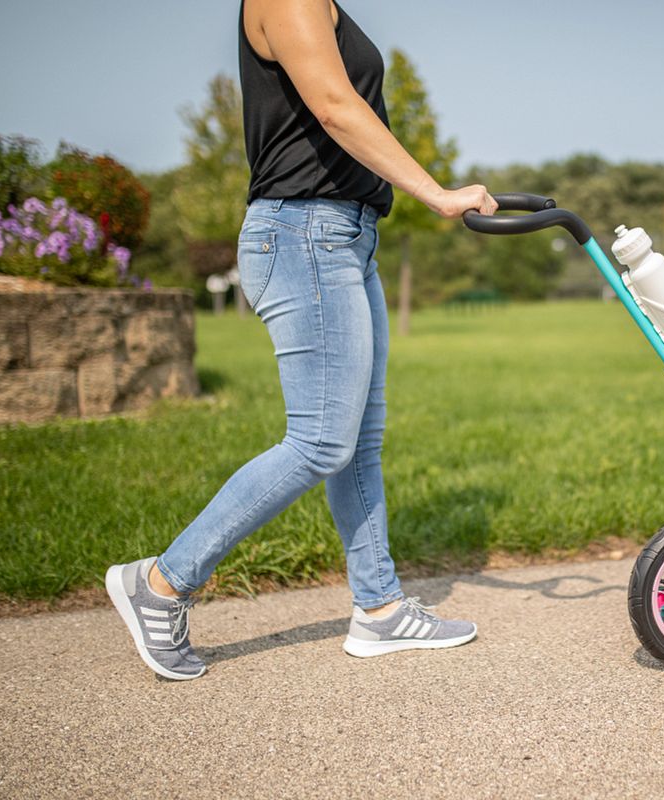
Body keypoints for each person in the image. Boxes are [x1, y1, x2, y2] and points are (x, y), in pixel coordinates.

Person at [105, 0, 498, 681]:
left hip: (344, 237)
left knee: (356, 442)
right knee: (319, 440)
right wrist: (436, 193)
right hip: (304, 235)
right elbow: (333, 105)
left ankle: (379, 611)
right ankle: (163, 581)